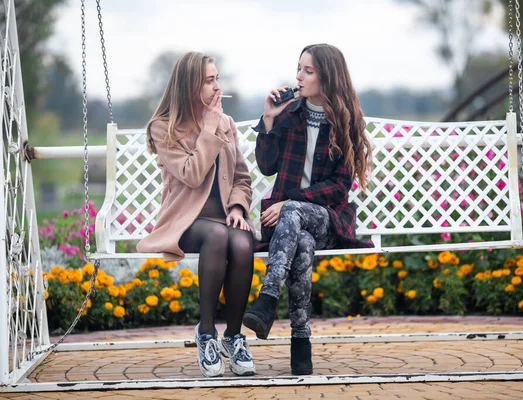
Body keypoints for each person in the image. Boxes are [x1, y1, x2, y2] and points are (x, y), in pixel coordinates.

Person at [243, 43, 374, 375]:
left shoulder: (346, 122)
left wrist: (291, 202)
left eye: (308, 70)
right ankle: (300, 341)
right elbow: (267, 166)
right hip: (289, 230)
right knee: (299, 241)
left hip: (328, 221)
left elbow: (339, 187)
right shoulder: (289, 113)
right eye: (298, 68)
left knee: (293, 214)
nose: (298, 76)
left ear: (326, 76)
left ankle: (267, 298)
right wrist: (269, 121)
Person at [137, 52, 255, 378]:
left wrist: (236, 208)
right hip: (185, 222)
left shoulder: (226, 124)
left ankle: (233, 336)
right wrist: (210, 126)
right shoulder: (164, 129)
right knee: (217, 236)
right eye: (209, 80)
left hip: (223, 220)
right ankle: (206, 333)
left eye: (217, 78)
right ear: (190, 85)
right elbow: (191, 173)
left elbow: (242, 179)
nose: (217, 86)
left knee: (243, 242)